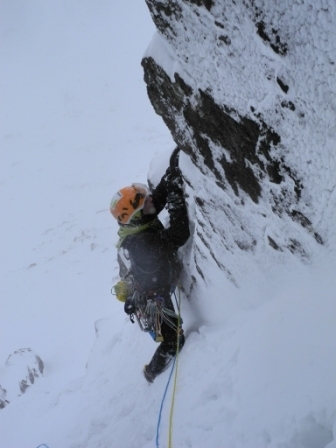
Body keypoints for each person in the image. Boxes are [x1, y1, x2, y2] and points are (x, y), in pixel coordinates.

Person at [110, 162, 190, 382]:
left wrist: (171, 172)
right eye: (144, 204)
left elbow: (157, 199)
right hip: (156, 293)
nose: (150, 202)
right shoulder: (142, 242)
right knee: (173, 340)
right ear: (136, 216)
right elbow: (179, 234)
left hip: (155, 283)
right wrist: (175, 199)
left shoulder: (139, 221)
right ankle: (151, 372)